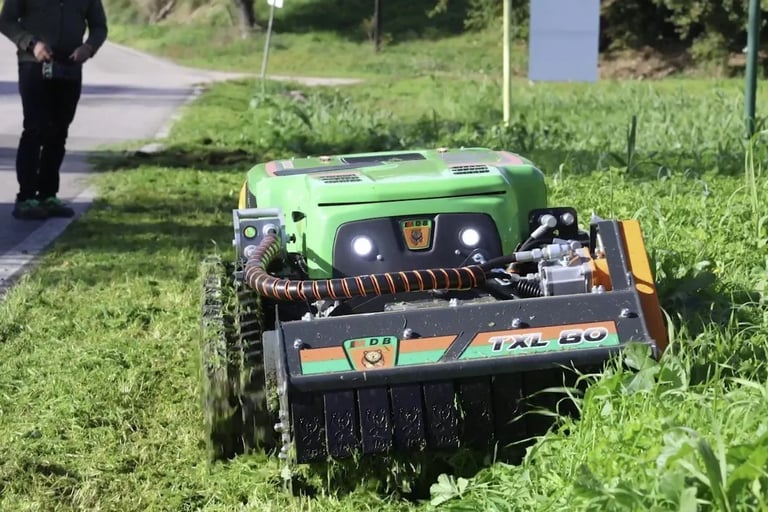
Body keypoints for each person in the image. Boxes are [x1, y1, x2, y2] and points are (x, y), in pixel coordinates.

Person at [0, 0, 107, 220]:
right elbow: (6, 21)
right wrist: (32, 43)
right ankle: (26, 198)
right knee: (35, 128)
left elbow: (99, 26)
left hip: (70, 67)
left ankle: (48, 195)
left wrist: (89, 47)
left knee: (58, 132)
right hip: (33, 64)